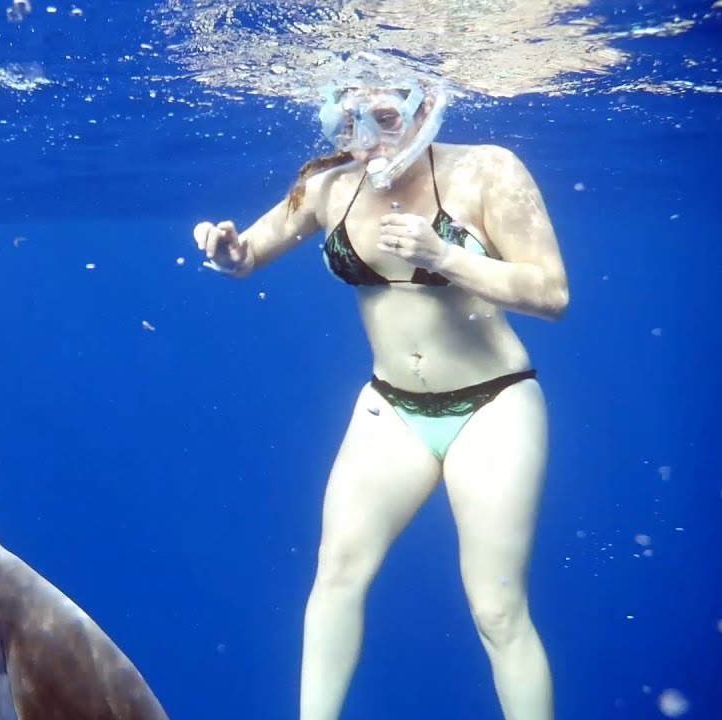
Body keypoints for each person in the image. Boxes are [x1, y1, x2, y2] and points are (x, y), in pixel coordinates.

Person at [192, 55, 569, 720]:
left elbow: (551, 293)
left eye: (385, 118)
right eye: (347, 122)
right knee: (337, 576)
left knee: (497, 608)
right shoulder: (330, 187)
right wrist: (227, 254)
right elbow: (247, 256)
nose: (366, 139)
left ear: (426, 106)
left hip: (495, 402)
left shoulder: (489, 170)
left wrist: (445, 256)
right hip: (390, 406)